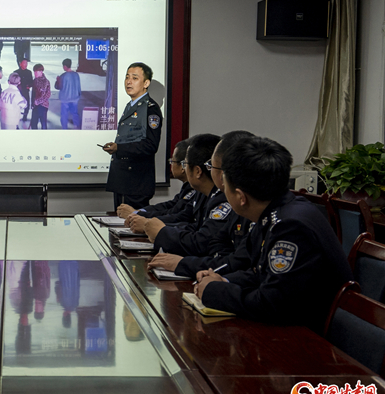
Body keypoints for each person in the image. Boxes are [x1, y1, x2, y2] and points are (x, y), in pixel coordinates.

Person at [195, 137, 353, 333]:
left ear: (241, 197)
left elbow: (270, 304)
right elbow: (262, 273)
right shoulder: (278, 210)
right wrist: (222, 280)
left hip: (312, 337)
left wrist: (214, 291)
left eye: (225, 186)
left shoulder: (291, 227)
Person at [148, 131, 255, 277]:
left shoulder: (229, 200)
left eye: (212, 166)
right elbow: (216, 243)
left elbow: (238, 263)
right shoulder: (211, 195)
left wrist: (184, 263)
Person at [102, 62, 162, 210]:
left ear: (146, 83)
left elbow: (150, 145)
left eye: (135, 78)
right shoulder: (131, 105)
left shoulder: (151, 109)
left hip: (136, 182)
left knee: (132, 223)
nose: (129, 82)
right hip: (123, 179)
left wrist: (119, 148)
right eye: (127, 77)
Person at [117, 139, 193, 219]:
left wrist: (138, 214)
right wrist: (139, 211)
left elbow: (174, 214)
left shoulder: (195, 191)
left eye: (172, 161)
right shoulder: (187, 187)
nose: (171, 164)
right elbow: (170, 205)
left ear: (183, 166)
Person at [57, 58, 81, 130]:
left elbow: (58, 86)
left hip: (65, 99)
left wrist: (57, 80)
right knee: (75, 113)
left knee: (64, 114)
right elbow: (78, 86)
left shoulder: (63, 76)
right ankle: (77, 126)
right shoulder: (76, 75)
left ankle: (64, 128)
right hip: (75, 98)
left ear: (65, 66)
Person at [30, 63, 50, 130]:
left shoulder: (45, 82)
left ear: (41, 72)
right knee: (34, 124)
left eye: (36, 72)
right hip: (35, 106)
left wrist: (37, 101)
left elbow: (47, 95)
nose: (35, 73)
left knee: (43, 124)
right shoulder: (35, 80)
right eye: (34, 72)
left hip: (43, 106)